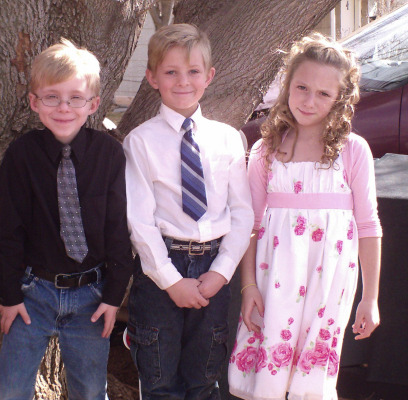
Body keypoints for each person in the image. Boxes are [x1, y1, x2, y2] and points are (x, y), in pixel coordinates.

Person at [228, 33, 382, 400]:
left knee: (311, 380)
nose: (310, 101)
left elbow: (368, 225)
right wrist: (248, 286)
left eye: (324, 94)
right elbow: (249, 223)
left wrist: (370, 297)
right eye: (301, 88)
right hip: (273, 280)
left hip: (329, 281)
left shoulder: (353, 151)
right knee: (268, 374)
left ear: (340, 98)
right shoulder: (265, 150)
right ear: (287, 86)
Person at [0, 39, 133, 400]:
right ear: (34, 102)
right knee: (7, 391)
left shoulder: (109, 155)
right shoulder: (21, 155)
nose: (64, 107)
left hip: (93, 296)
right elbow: (11, 229)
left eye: (75, 98)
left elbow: (117, 230)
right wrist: (9, 293)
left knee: (90, 390)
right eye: (52, 97)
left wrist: (113, 296)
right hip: (34, 293)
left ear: (93, 104)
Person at [123, 23, 254, 399]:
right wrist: (170, 280)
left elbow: (242, 212)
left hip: (214, 267)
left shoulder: (228, 138)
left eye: (193, 71)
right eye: (171, 72)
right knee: (159, 376)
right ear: (152, 78)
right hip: (160, 269)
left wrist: (222, 272)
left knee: (206, 377)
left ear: (209, 76)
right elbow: (139, 220)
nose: (183, 81)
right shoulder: (141, 142)